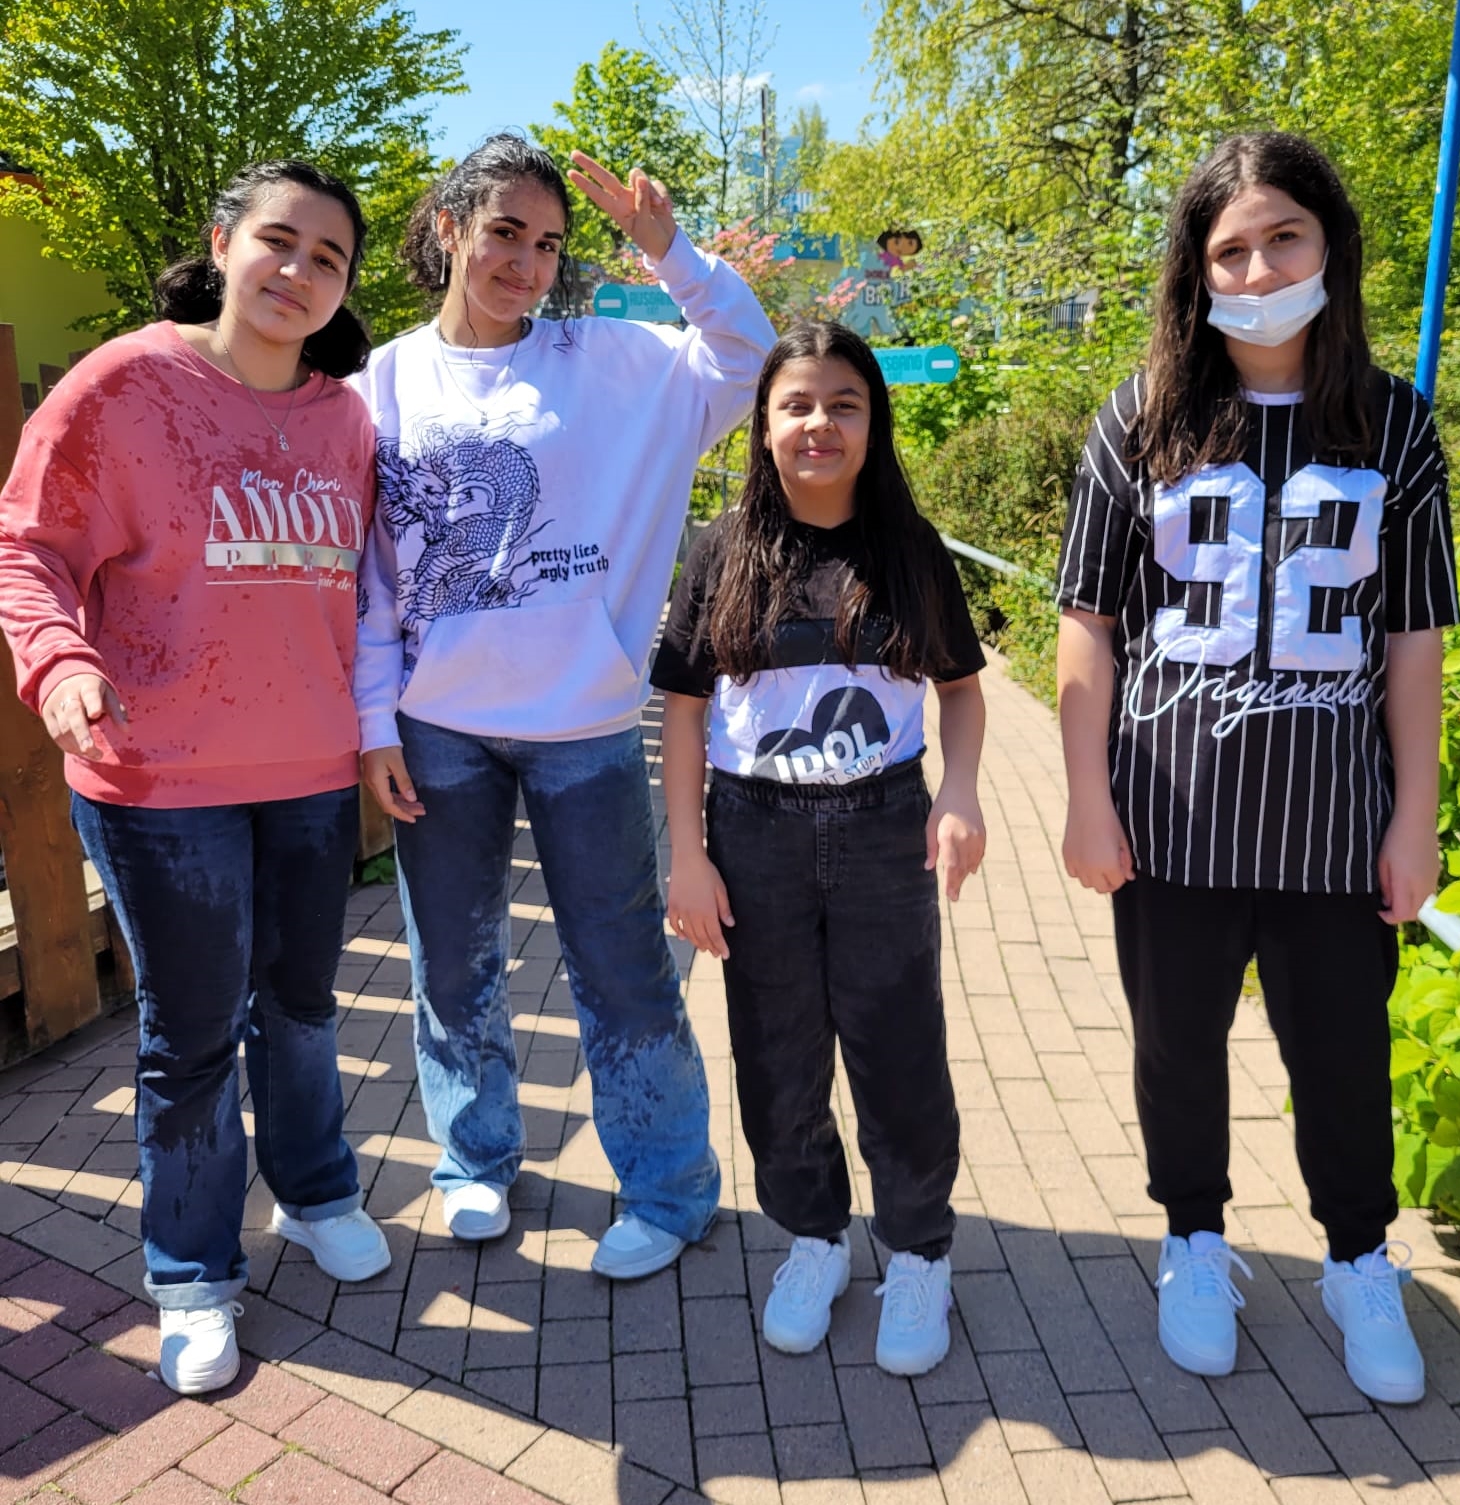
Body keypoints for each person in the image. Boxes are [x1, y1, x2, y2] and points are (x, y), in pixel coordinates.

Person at [1055, 132, 1458, 1405]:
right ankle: (1193, 1240)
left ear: (1330, 244)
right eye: (1231, 249)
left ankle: (1357, 1257)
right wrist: (1085, 796)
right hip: (1171, 816)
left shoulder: (1394, 424)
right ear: (1198, 270)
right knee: (1176, 1048)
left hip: (1333, 823)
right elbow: (1088, 621)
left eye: (1284, 237)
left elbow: (1414, 637)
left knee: (1342, 1054)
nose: (1260, 268)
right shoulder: (1143, 417)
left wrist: (1414, 817)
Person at [0, 160, 391, 1395]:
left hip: (311, 771)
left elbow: (373, 584)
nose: (299, 271)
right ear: (223, 244)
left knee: (304, 1003)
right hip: (160, 782)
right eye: (279, 241)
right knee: (192, 1032)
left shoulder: (346, 419)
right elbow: (28, 547)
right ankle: (191, 1270)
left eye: (328, 258)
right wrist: (60, 661)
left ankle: (316, 1190)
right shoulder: (124, 384)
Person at [355, 132, 774, 1276]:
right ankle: (474, 1156)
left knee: (622, 962)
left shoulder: (613, 363)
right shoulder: (379, 385)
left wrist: (671, 251)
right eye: (505, 233)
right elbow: (370, 582)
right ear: (449, 229)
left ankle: (669, 1186)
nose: (527, 264)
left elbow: (750, 357)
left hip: (584, 726)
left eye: (547, 244)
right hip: (439, 727)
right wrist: (376, 721)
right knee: (452, 962)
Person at [652, 320, 988, 1375]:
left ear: (873, 420)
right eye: (796, 403)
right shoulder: (721, 551)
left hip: (883, 828)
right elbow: (684, 713)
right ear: (763, 424)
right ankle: (815, 1237)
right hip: (754, 834)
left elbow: (962, 689)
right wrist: (688, 854)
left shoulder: (909, 547)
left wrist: (961, 791)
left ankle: (919, 1250)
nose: (819, 423)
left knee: (898, 1048)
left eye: (844, 403)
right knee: (777, 1053)